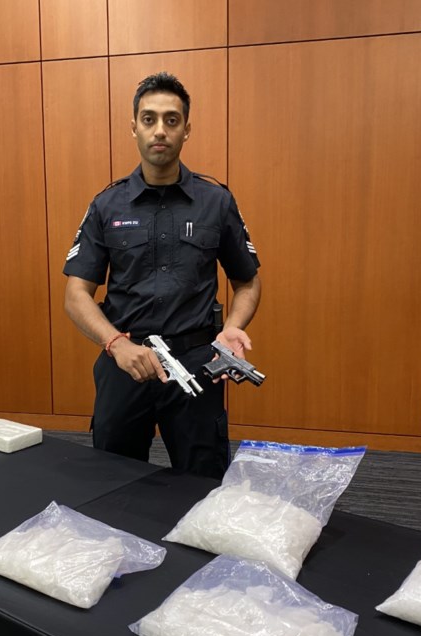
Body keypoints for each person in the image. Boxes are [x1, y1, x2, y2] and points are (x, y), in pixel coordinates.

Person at [62, 71, 261, 479]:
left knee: (201, 484)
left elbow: (248, 281)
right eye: (149, 119)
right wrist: (116, 344)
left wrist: (233, 328)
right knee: (115, 484)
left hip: (197, 363)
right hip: (125, 362)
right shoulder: (107, 204)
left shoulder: (216, 202)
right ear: (133, 126)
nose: (160, 130)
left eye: (172, 120)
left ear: (187, 129)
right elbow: (76, 294)